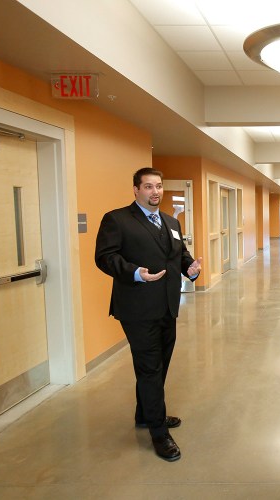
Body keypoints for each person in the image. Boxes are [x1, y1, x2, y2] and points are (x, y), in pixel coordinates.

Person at [95, 167, 202, 462]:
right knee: (150, 368)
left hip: (168, 306)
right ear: (136, 189)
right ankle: (158, 432)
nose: (155, 192)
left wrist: (190, 269)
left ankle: (146, 414)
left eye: (158, 186)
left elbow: (179, 255)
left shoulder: (171, 221)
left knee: (160, 363)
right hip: (137, 308)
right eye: (148, 187)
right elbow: (104, 257)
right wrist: (135, 273)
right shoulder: (117, 219)